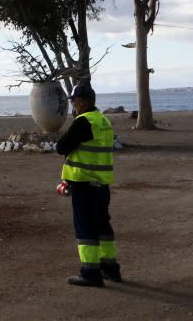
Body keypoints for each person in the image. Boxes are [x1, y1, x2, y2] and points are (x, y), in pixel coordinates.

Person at [56, 82, 120, 287]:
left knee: (85, 229)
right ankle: (110, 268)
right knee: (102, 226)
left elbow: (61, 147)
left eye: (73, 100)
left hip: (84, 185)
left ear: (82, 101)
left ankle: (90, 272)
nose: (73, 104)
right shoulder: (103, 121)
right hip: (101, 185)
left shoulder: (84, 122)